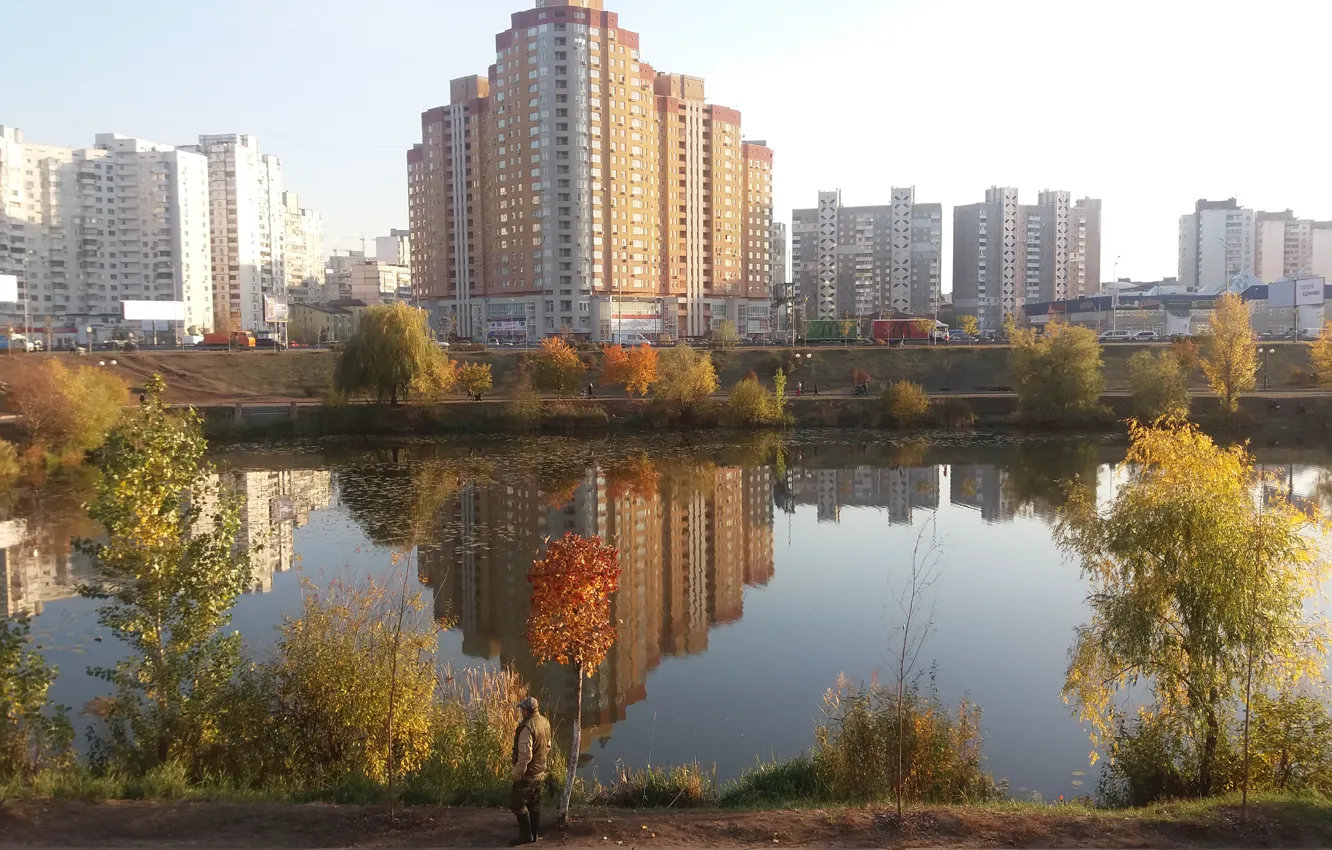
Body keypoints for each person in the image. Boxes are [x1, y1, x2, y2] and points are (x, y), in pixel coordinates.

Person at [508, 696, 552, 846]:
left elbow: (525, 755)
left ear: (526, 710)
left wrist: (517, 774)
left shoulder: (527, 727)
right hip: (540, 771)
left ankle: (525, 835)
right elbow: (548, 746)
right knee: (534, 803)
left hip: (528, 774)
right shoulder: (544, 722)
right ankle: (534, 834)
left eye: (522, 709)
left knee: (517, 804)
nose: (521, 712)